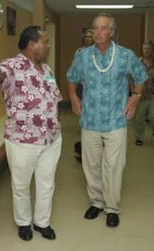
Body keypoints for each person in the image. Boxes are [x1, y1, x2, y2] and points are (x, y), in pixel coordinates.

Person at [0, 26, 62, 241]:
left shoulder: (47, 69)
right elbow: (2, 75)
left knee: (47, 183)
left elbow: (54, 97)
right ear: (31, 44)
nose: (49, 45)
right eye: (45, 41)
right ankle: (23, 223)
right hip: (24, 140)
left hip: (51, 138)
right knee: (22, 184)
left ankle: (42, 222)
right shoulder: (12, 65)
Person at [67, 13, 147, 227]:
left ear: (112, 32)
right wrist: (74, 97)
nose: (98, 32)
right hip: (90, 119)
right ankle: (96, 203)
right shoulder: (83, 56)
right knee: (91, 165)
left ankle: (112, 208)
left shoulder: (125, 55)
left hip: (116, 121)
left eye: (103, 28)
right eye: (95, 28)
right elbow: (71, 78)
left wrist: (135, 96)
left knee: (114, 166)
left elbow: (141, 77)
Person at [134, 41, 154, 146]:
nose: (146, 51)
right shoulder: (137, 63)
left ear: (152, 50)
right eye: (144, 49)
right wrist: (134, 93)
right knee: (140, 117)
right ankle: (139, 137)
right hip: (141, 95)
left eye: (148, 49)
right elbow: (131, 79)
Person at [73, 28, 94, 162]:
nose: (87, 38)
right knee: (84, 117)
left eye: (90, 37)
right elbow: (74, 72)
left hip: (96, 88)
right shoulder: (79, 52)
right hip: (82, 87)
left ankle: (92, 148)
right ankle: (83, 148)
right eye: (85, 37)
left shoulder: (99, 51)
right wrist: (74, 94)